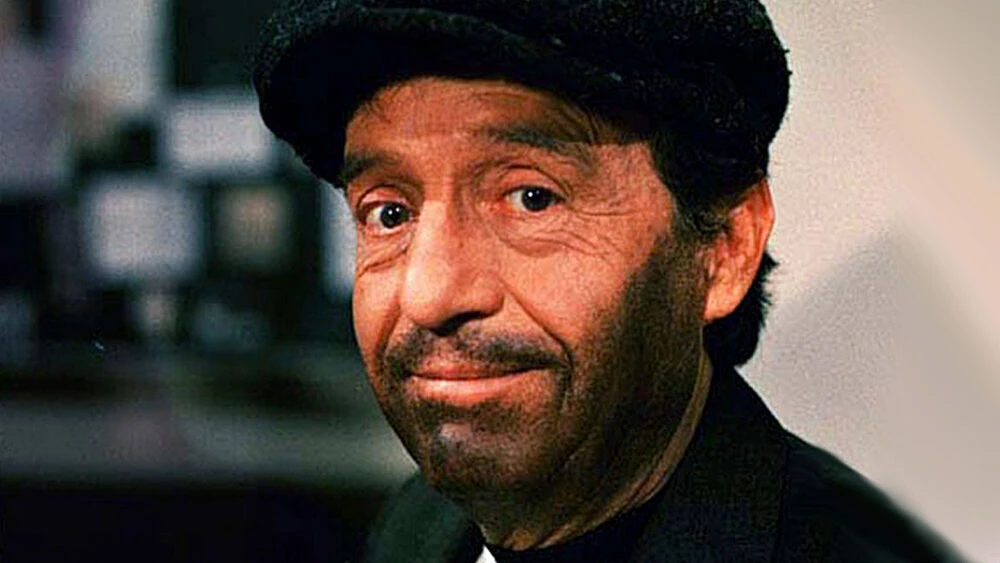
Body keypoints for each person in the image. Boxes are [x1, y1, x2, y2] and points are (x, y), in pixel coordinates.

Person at [252, 1, 962, 561]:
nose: (429, 294)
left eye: (532, 198)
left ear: (723, 248)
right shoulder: (422, 525)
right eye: (390, 212)